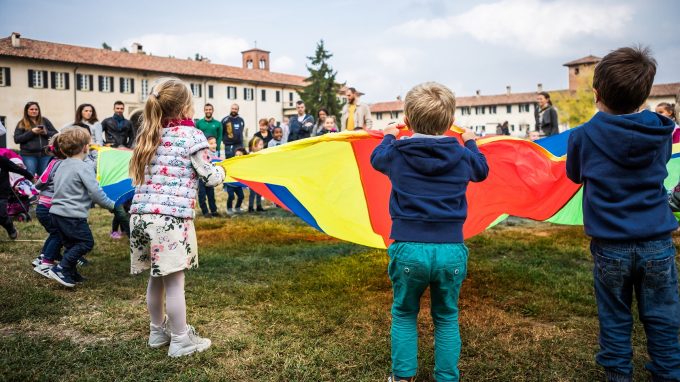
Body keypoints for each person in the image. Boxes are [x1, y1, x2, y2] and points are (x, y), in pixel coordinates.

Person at [566, 46, 680, 382]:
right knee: (663, 317)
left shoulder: (583, 136)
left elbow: (574, 174)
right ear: (646, 92)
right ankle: (668, 373)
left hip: (610, 247)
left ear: (596, 93)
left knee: (615, 317)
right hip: (657, 242)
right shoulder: (661, 130)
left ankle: (618, 375)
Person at [370, 82, 489, 382]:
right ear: (450, 123)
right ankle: (447, 377)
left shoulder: (396, 152)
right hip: (450, 250)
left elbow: (376, 158)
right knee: (447, 316)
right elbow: (482, 170)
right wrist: (471, 141)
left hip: (408, 248)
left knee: (405, 312)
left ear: (407, 120)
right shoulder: (462, 156)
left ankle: (403, 377)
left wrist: (388, 134)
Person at [129, 78, 225, 357]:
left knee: (156, 278)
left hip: (141, 217)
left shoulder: (149, 133)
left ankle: (157, 332)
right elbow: (209, 177)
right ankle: (181, 339)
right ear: (186, 106)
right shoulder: (192, 136)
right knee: (174, 282)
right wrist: (223, 171)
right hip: (169, 220)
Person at [46, 127, 115, 287]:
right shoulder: (84, 167)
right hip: (72, 216)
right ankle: (61, 269)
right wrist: (111, 205)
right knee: (85, 243)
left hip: (56, 213)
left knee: (71, 244)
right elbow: (95, 192)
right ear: (85, 147)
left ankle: (71, 273)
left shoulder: (61, 164)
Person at [33, 138, 67, 277]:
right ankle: (46, 263)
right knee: (59, 234)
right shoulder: (63, 164)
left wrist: (39, 189)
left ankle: (42, 258)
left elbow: (42, 181)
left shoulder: (53, 161)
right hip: (49, 208)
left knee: (54, 233)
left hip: (43, 206)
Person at [13, 101, 58, 176]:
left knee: (44, 177)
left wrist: (46, 133)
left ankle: (40, 188)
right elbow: (17, 139)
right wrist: (32, 132)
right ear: (26, 111)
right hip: (29, 155)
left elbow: (56, 134)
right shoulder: (22, 123)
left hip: (45, 154)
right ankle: (31, 188)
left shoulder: (45, 121)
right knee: (30, 176)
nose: (34, 111)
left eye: (36, 109)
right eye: (31, 109)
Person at [0, 154, 34, 240]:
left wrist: (30, 177)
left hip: (1, 194)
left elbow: (17, 168)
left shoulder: (2, 160)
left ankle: (10, 228)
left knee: (2, 215)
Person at [197, 136, 220, 217]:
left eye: (215, 143)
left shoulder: (215, 154)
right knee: (202, 195)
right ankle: (205, 212)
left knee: (211, 195)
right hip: (201, 179)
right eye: (211, 143)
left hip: (210, 178)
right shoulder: (202, 153)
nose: (214, 145)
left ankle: (214, 211)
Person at [225, 147, 247, 215]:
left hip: (237, 185)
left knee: (241, 196)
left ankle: (237, 208)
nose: (237, 157)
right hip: (230, 184)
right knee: (231, 196)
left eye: (240, 155)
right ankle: (229, 209)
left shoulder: (244, 165)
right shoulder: (232, 162)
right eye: (236, 155)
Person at [247, 136, 265, 212]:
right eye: (260, 145)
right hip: (252, 178)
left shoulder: (261, 154)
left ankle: (259, 206)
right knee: (252, 193)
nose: (262, 146)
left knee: (259, 192)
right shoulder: (250, 155)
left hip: (259, 177)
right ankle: (250, 207)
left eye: (262, 144)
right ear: (254, 146)